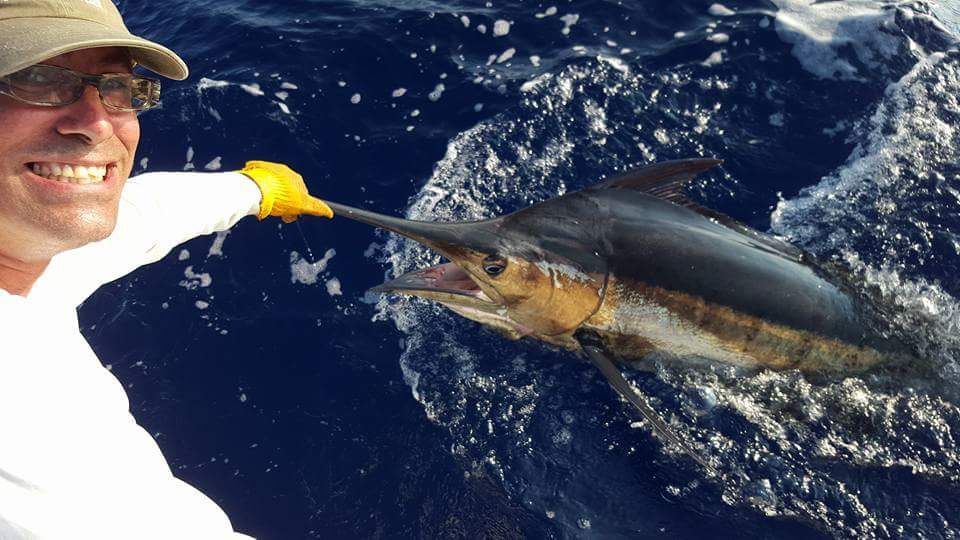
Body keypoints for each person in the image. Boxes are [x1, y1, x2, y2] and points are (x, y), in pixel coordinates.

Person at [0, 1, 332, 538]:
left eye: (117, 88)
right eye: (36, 79)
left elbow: (139, 218)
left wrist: (252, 190)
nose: (96, 123)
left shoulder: (24, 250)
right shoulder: (25, 424)